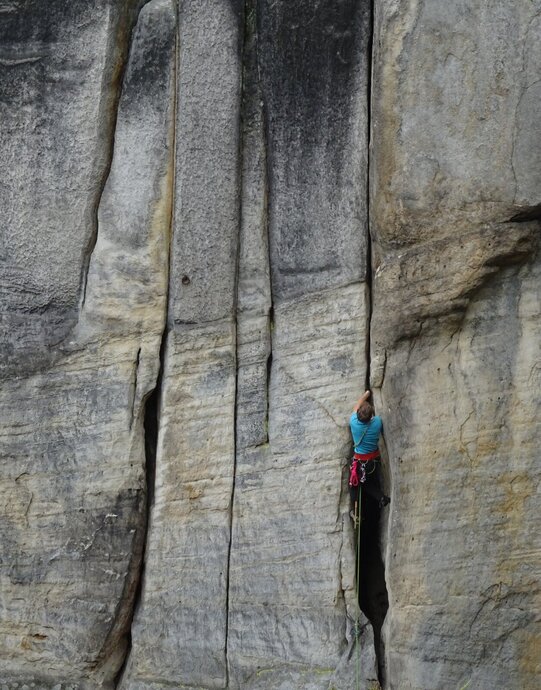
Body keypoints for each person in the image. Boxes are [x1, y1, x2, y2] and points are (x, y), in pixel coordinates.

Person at [349, 390, 390, 513]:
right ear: (371, 416)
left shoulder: (353, 422)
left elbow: (356, 406)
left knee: (354, 484)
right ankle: (381, 498)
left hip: (360, 462)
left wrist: (366, 394)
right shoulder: (377, 422)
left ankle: (354, 511)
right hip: (373, 462)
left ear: (358, 415)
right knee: (368, 482)